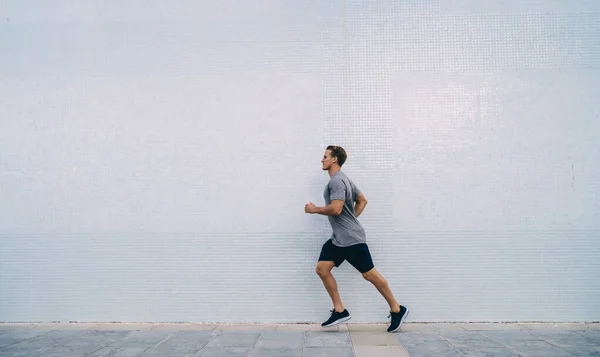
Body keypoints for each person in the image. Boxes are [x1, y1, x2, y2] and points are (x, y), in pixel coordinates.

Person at [304, 145, 409, 333]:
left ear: (334, 159)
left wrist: (315, 209)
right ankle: (340, 310)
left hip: (351, 239)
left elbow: (336, 209)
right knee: (322, 268)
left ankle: (397, 309)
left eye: (325, 156)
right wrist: (350, 220)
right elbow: (362, 200)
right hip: (339, 238)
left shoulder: (337, 181)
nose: (322, 159)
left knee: (369, 274)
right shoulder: (345, 180)